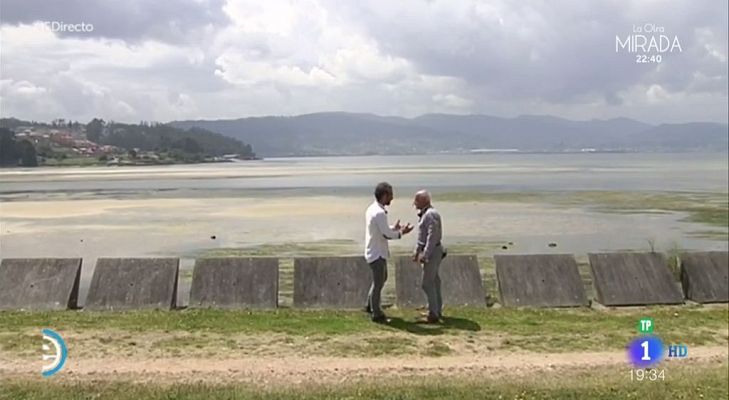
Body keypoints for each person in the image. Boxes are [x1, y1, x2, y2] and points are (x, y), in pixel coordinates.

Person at [364, 182, 413, 323]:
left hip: (374, 250)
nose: (392, 198)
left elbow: (381, 229)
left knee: (381, 279)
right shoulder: (379, 212)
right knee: (379, 282)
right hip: (377, 253)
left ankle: (370, 306)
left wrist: (393, 227)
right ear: (385, 195)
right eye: (390, 195)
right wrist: (401, 232)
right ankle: (376, 313)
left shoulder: (372, 209)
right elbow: (386, 234)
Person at [412, 190, 444, 323]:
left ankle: (433, 313)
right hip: (433, 250)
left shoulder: (430, 214)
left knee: (427, 283)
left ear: (424, 200)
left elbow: (432, 237)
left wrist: (425, 254)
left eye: (416, 200)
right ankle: (436, 309)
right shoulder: (427, 214)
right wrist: (417, 250)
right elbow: (423, 237)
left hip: (433, 251)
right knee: (435, 281)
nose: (414, 203)